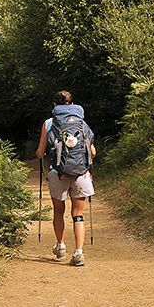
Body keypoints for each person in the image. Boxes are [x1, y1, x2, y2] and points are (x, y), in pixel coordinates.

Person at [36, 90, 96, 266]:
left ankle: (61, 246)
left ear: (55, 105)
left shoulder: (49, 123)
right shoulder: (82, 123)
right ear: (73, 105)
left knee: (59, 211)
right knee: (78, 214)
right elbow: (92, 152)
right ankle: (79, 253)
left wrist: (41, 154)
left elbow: (40, 152)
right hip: (81, 173)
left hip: (58, 173)